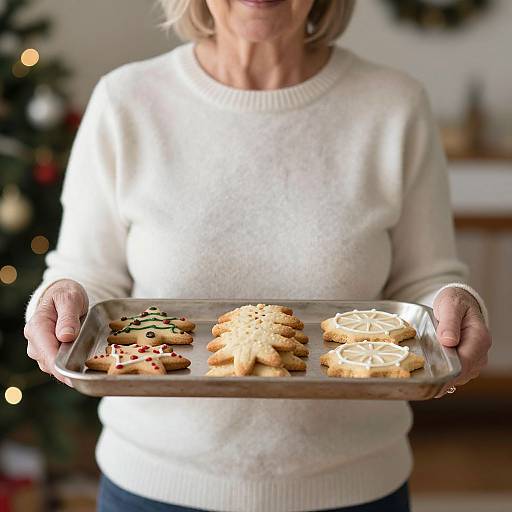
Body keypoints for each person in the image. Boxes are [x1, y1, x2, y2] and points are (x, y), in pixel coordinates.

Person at [24, 1, 492, 511]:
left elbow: (426, 283)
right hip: (155, 487)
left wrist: (455, 302)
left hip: (354, 488)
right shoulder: (126, 101)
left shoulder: (393, 104)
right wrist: (59, 298)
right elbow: (87, 275)